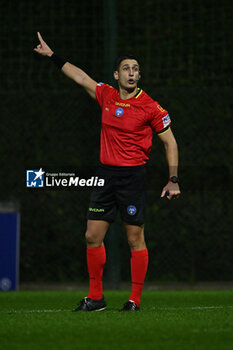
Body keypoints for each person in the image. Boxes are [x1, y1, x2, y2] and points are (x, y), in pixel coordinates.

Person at [34, 32, 181, 312]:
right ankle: (96, 298)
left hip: (133, 177)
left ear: (139, 75)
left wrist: (173, 179)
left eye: (136, 69)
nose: (132, 72)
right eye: (126, 68)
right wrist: (53, 55)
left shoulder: (150, 106)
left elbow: (170, 141)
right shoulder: (107, 95)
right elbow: (80, 77)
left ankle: (134, 300)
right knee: (92, 236)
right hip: (105, 176)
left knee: (134, 238)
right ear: (116, 74)